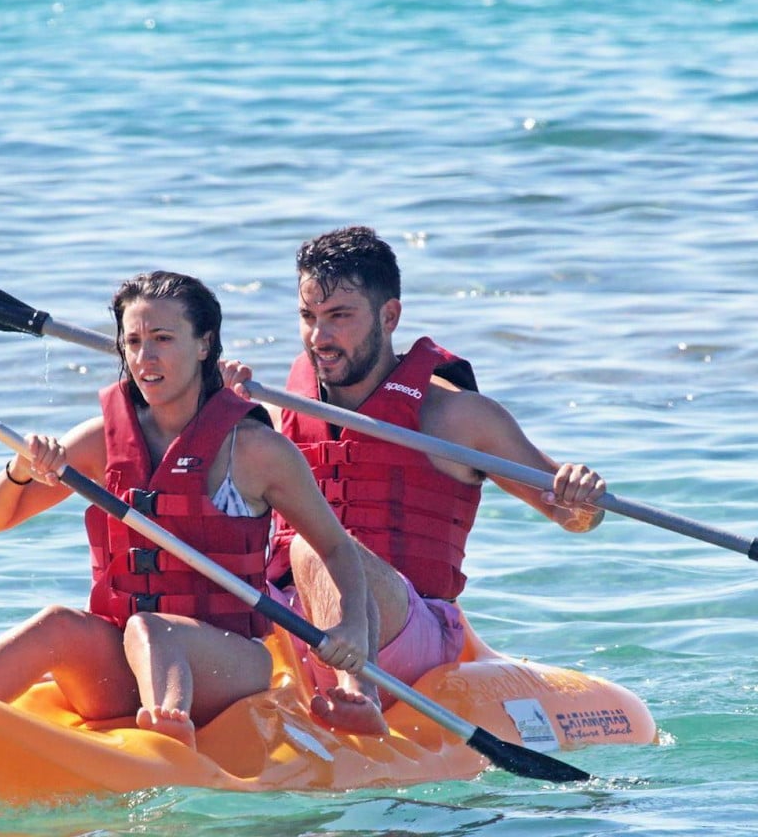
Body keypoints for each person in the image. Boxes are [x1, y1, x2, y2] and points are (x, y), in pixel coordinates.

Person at [0, 271, 379, 747]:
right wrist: (20, 469)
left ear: (203, 345)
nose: (144, 357)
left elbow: (336, 548)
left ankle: (168, 735)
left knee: (151, 628)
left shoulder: (257, 450)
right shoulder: (101, 441)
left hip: (228, 664)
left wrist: (352, 630)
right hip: (120, 664)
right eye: (132, 341)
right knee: (57, 623)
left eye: (162, 339)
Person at [224, 226, 608, 732]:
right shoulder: (275, 410)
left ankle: (356, 693)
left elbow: (574, 516)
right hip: (290, 621)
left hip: (407, 628)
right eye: (308, 317)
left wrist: (582, 494)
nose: (319, 337)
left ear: (389, 316)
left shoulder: (455, 419)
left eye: (339, 317)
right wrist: (210, 413)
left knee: (314, 547)